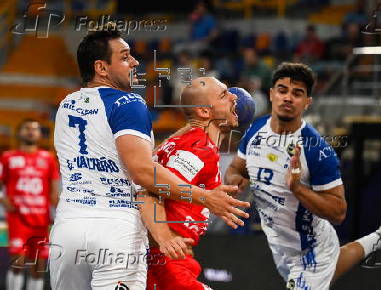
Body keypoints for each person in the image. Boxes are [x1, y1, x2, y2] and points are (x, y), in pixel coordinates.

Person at [49, 27, 249, 289]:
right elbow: (144, 174)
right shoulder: (128, 103)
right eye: (125, 57)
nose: (134, 62)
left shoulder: (66, 105)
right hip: (116, 227)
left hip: (68, 228)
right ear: (101, 67)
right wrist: (206, 199)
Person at [225, 62, 381, 289]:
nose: (288, 98)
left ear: (307, 102)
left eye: (297, 93)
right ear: (271, 94)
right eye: (282, 90)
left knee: (321, 269)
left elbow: (339, 212)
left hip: (310, 248)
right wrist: (235, 180)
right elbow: (235, 170)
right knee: (336, 264)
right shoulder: (255, 129)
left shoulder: (317, 150)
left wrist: (298, 189)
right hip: (279, 244)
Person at [144, 77, 239, 290]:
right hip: (169, 262)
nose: (235, 96)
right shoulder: (198, 149)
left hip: (169, 260)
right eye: (224, 94)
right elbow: (149, 193)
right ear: (204, 112)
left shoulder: (182, 141)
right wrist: (166, 238)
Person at [0, 119, 60, 290]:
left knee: (38, 266)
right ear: (19, 133)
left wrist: (58, 213)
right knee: (17, 263)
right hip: (18, 218)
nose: (31, 131)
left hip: (40, 220)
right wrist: (3, 199)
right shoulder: (8, 157)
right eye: (27, 128)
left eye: (35, 129)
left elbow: (54, 191)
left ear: (40, 134)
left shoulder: (47, 159)